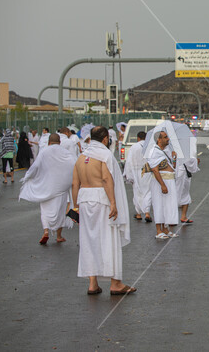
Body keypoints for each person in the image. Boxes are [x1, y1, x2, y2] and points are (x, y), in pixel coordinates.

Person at [72, 126, 134, 295]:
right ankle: (116, 283)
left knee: (89, 240)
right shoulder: (104, 155)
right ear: (106, 138)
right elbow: (107, 179)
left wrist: (75, 207)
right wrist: (114, 203)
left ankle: (93, 283)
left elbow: (75, 184)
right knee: (108, 239)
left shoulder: (81, 156)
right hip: (102, 199)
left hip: (84, 199)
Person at [20, 133, 76, 244]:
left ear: (49, 142)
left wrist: (27, 177)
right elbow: (74, 165)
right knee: (60, 212)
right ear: (60, 142)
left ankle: (46, 231)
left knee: (45, 211)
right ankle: (59, 236)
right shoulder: (66, 153)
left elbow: (35, 167)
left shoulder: (44, 152)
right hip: (61, 188)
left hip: (46, 187)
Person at [148, 131, 179, 239]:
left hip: (169, 180)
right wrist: (162, 185)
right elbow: (155, 170)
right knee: (159, 205)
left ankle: (166, 229)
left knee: (167, 205)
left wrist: (174, 158)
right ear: (159, 139)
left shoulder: (165, 151)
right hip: (160, 182)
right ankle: (158, 230)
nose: (168, 139)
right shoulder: (154, 151)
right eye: (165, 137)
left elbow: (171, 166)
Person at [123, 131, 152, 223]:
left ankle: (138, 213)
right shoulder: (150, 146)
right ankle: (147, 212)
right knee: (147, 192)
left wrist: (129, 175)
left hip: (136, 172)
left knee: (137, 192)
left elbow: (129, 162)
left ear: (138, 138)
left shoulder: (134, 147)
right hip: (147, 171)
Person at [176, 140, 199, 225]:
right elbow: (191, 161)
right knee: (184, 194)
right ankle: (182, 216)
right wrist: (196, 161)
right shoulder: (186, 152)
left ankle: (182, 216)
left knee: (178, 194)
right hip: (183, 175)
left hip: (175, 174)